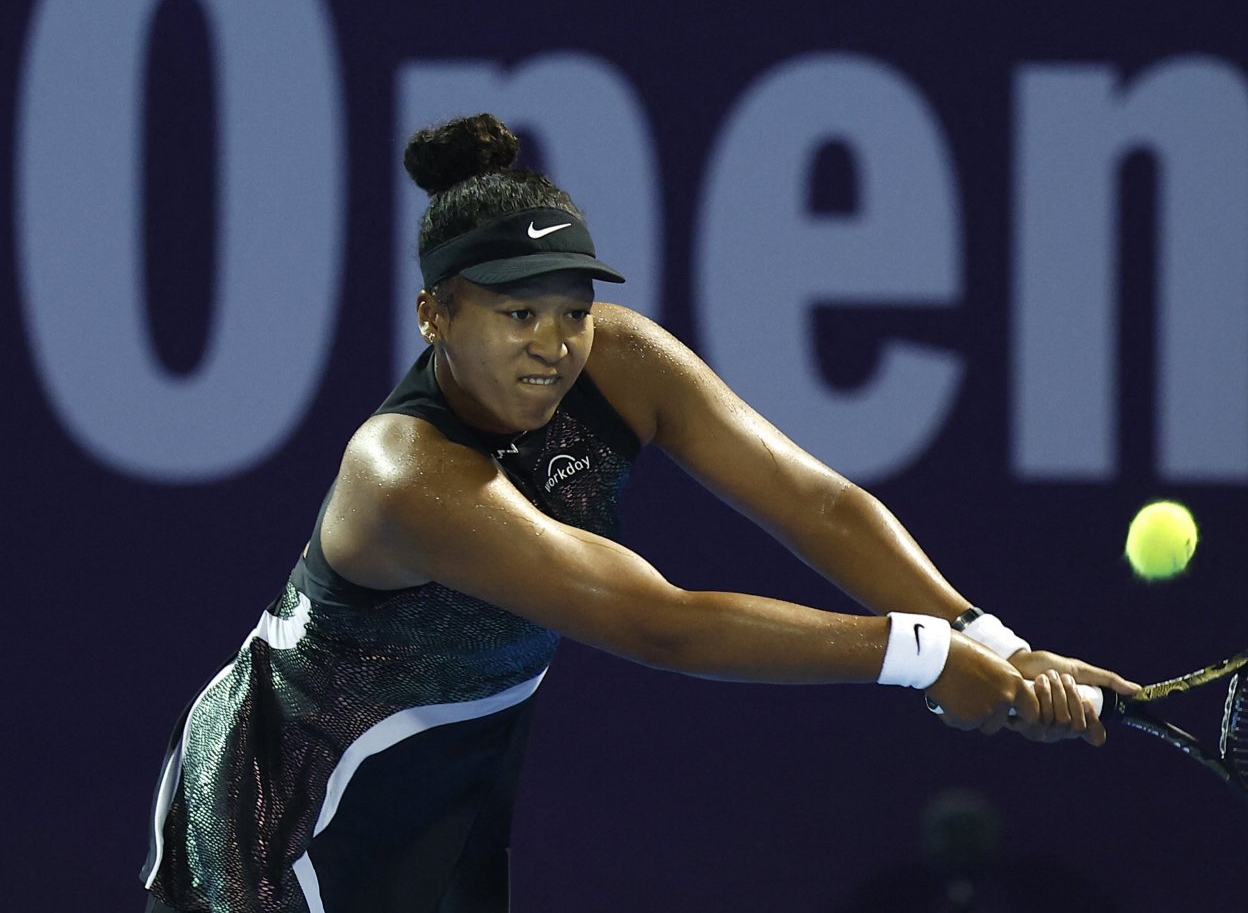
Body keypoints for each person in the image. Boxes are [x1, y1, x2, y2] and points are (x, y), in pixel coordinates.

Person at [141, 113, 1138, 913]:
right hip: (279, 804)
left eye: (571, 309)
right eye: (515, 313)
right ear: (434, 314)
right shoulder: (406, 472)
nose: (553, 342)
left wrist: (991, 640)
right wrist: (921, 657)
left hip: (444, 777)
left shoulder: (621, 361)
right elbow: (657, 623)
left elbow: (812, 500)